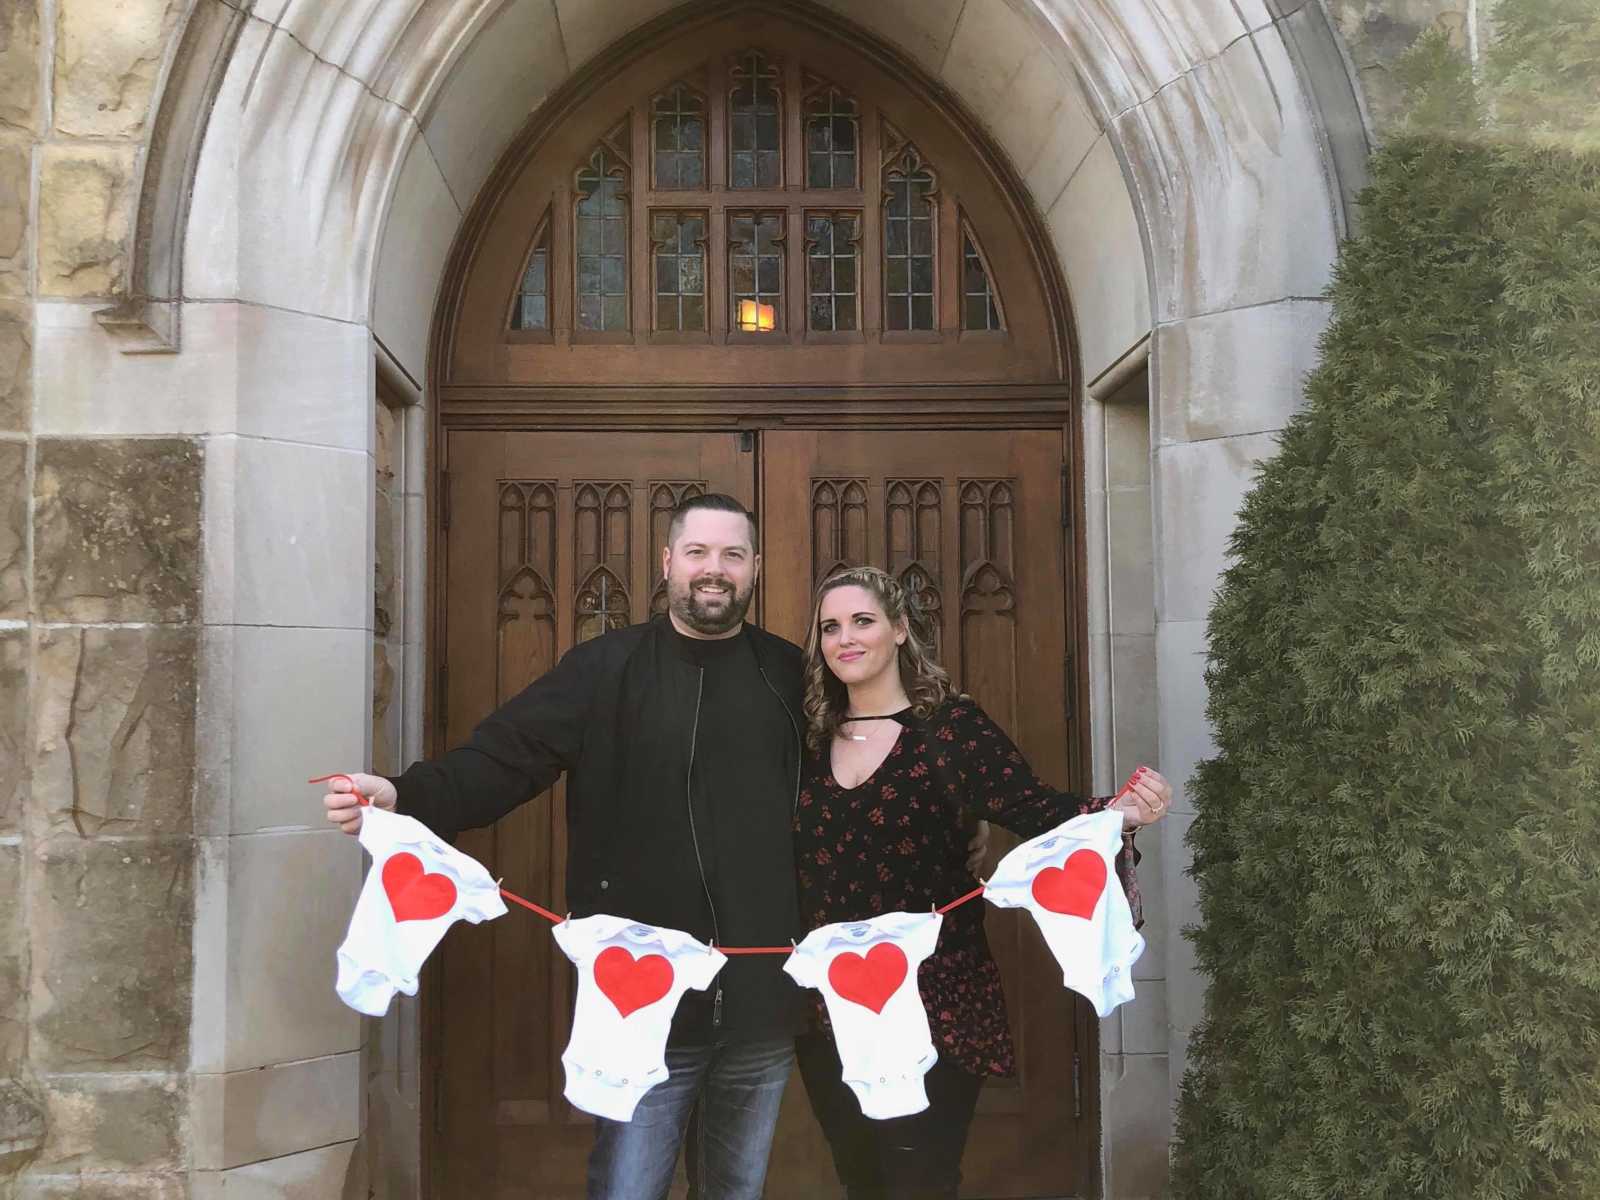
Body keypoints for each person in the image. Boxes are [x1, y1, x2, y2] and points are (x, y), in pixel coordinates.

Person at [323, 493, 808, 1200]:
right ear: (668, 561)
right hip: (637, 1001)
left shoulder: (791, 676)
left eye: (732, 554)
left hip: (764, 1002)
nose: (715, 570)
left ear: (756, 567)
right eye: (698, 552)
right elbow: (504, 758)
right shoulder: (603, 668)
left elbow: (863, 783)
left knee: (735, 1192)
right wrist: (406, 795)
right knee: (627, 1189)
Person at [792, 565, 1171, 1200]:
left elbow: (1038, 811)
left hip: (939, 994)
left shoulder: (951, 730)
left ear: (900, 630)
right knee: (861, 1177)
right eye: (831, 627)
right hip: (834, 1002)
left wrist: (1120, 811)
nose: (845, 639)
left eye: (863, 621)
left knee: (922, 1178)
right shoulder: (804, 742)